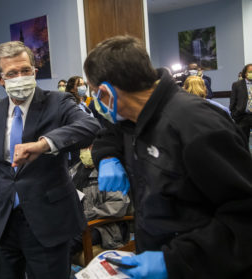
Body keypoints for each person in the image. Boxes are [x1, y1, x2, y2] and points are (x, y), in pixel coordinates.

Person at [84, 35, 252, 278]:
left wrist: (173, 260)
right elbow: (109, 134)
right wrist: (108, 157)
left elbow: (244, 218)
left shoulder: (197, 126)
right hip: (155, 247)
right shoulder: (134, 117)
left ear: (106, 92)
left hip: (200, 267)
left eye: (94, 94)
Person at [0, 41, 100, 279]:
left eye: (25, 70)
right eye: (12, 73)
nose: (20, 76)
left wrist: (45, 144)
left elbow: (90, 125)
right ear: (0, 79)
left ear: (35, 71)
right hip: (4, 218)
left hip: (48, 218)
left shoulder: (58, 102)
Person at [69, 147, 130, 257]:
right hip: (76, 223)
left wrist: (84, 216)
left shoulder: (109, 171)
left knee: (65, 244)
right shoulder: (75, 169)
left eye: (90, 147)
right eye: (83, 148)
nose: (86, 151)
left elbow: (117, 206)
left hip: (104, 227)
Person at [230, 63, 252, 143]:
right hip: (242, 117)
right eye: (250, 72)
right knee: (243, 142)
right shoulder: (237, 85)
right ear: (245, 73)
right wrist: (234, 114)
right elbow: (233, 101)